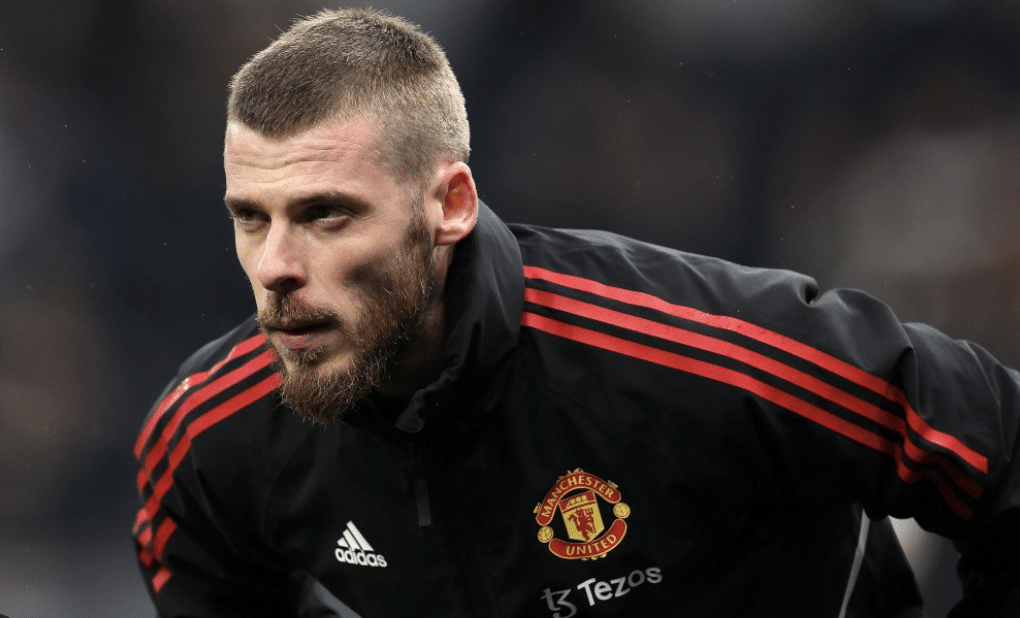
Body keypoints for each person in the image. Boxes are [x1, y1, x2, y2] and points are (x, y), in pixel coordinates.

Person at [132, 8, 1020, 617]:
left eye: (328, 214)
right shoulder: (210, 435)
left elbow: (1003, 443)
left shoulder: (699, 350)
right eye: (251, 219)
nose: (275, 267)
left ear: (449, 206)